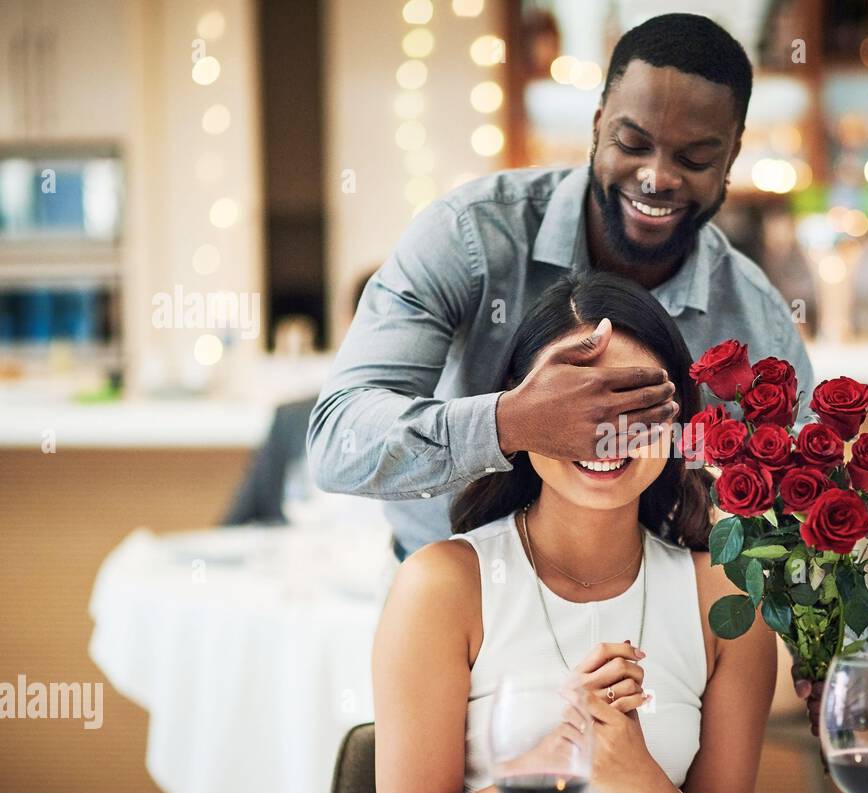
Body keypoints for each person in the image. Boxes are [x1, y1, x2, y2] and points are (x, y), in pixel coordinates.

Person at [307, 12, 814, 568]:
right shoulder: (469, 236)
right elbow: (338, 444)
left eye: (694, 159)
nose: (658, 177)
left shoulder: (754, 317)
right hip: (450, 601)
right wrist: (511, 423)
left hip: (654, 619)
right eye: (632, 143)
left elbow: (809, 527)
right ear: (597, 126)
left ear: (732, 157)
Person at [371, 272, 777, 793]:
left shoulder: (726, 600)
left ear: (678, 418)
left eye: (634, 401)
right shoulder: (443, 586)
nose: (606, 431)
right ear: (519, 411)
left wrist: (640, 780)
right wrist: (556, 764)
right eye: (573, 402)